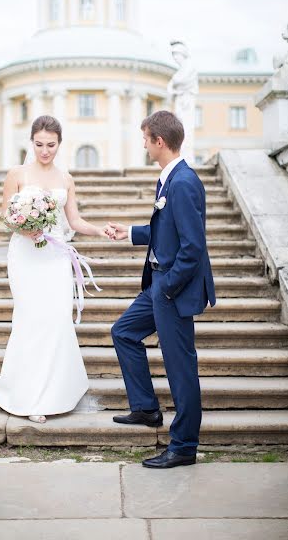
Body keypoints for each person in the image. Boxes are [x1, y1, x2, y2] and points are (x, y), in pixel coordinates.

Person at [108, 110, 216, 469]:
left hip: (171, 287)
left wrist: (167, 288)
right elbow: (167, 230)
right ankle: (146, 408)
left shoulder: (183, 182)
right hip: (158, 281)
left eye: (145, 138)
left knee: (180, 367)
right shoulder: (169, 178)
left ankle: (184, 445)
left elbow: (192, 247)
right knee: (123, 332)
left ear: (159, 141)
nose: (143, 144)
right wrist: (131, 232)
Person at [0, 115, 110, 423]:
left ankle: (54, 394)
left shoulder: (65, 179)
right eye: (40, 144)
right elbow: (4, 215)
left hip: (55, 256)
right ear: (32, 142)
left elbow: (74, 222)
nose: (45, 151)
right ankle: (27, 395)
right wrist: (22, 226)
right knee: (30, 318)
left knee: (56, 319)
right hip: (25, 255)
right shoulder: (17, 173)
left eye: (51, 145)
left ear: (59, 144)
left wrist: (100, 230)